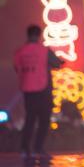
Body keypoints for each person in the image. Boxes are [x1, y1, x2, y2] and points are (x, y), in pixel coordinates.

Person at [13, 25, 63, 157]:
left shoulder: (20, 51)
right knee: (44, 120)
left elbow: (17, 68)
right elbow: (57, 64)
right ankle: (38, 148)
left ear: (28, 35)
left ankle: (25, 149)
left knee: (29, 119)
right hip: (43, 89)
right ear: (39, 35)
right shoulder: (44, 51)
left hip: (27, 89)